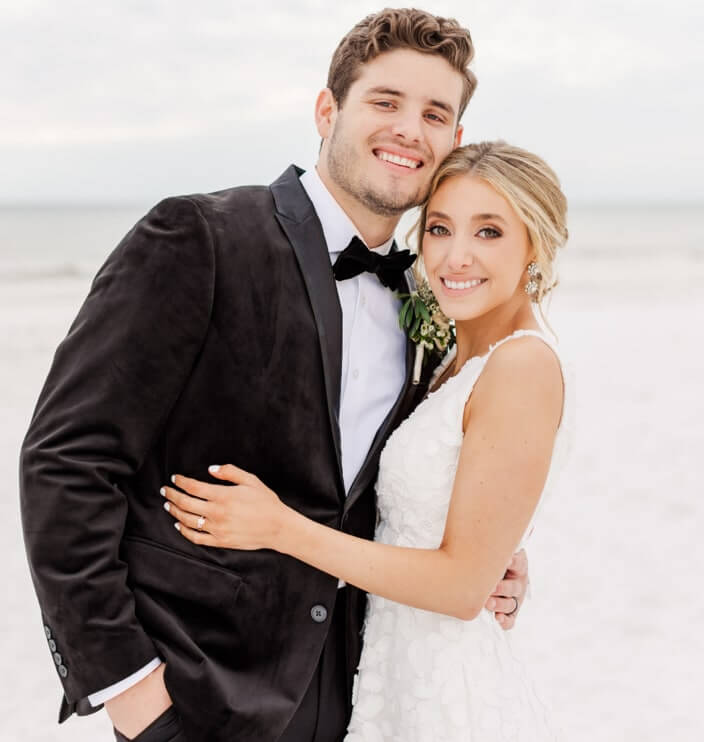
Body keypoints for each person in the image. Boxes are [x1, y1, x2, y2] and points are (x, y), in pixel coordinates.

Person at [19, 10, 530, 742]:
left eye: (434, 114)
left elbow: (386, 487)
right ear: (327, 111)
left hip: (353, 693)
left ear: (452, 141)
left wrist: (482, 560)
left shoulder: (428, 295)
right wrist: (129, 689)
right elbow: (66, 463)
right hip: (191, 692)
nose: (409, 129)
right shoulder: (199, 238)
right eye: (385, 102)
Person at [162, 140, 570, 741]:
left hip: (447, 692)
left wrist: (280, 527)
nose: (456, 257)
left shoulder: (522, 366)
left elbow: (460, 588)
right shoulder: (454, 357)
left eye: (489, 232)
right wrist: (497, 559)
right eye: (438, 229)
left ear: (534, 243)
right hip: (390, 673)